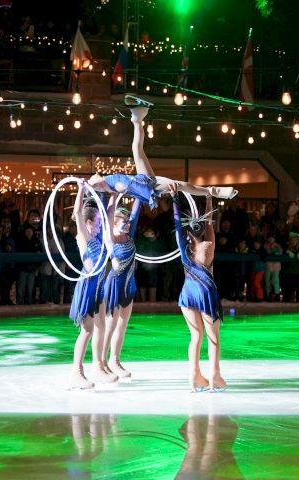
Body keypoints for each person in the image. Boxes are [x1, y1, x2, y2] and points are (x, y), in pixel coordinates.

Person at [87, 96, 238, 206]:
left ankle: (138, 116)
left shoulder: (107, 183)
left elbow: (99, 179)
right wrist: (149, 194)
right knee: (179, 185)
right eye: (93, 182)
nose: (93, 177)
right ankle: (214, 192)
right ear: (96, 188)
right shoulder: (110, 186)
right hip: (148, 186)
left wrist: (89, 185)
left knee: (136, 149)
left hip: (143, 179)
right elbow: (132, 189)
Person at [170, 187, 226, 392]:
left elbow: (177, 225)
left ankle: (194, 377)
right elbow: (211, 222)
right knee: (213, 338)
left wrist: (175, 198)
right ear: (202, 230)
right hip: (205, 293)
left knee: (196, 337)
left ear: (187, 232)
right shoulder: (207, 245)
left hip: (187, 293)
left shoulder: (183, 247)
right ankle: (214, 376)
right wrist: (209, 198)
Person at [69, 182, 118, 389]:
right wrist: (81, 188)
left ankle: (98, 366)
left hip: (99, 283)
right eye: (97, 222)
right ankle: (76, 372)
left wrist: (115, 196)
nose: (100, 225)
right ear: (88, 222)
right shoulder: (84, 236)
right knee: (87, 329)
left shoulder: (98, 235)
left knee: (101, 326)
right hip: (88, 284)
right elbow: (78, 211)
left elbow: (108, 216)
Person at [101, 195, 142, 379]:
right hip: (115, 285)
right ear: (114, 222)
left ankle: (115, 360)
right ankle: (101, 363)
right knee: (110, 326)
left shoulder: (128, 236)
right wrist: (112, 196)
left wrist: (140, 194)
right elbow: (107, 216)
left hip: (129, 284)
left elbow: (136, 211)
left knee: (122, 325)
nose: (127, 223)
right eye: (123, 221)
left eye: (127, 221)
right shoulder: (110, 238)